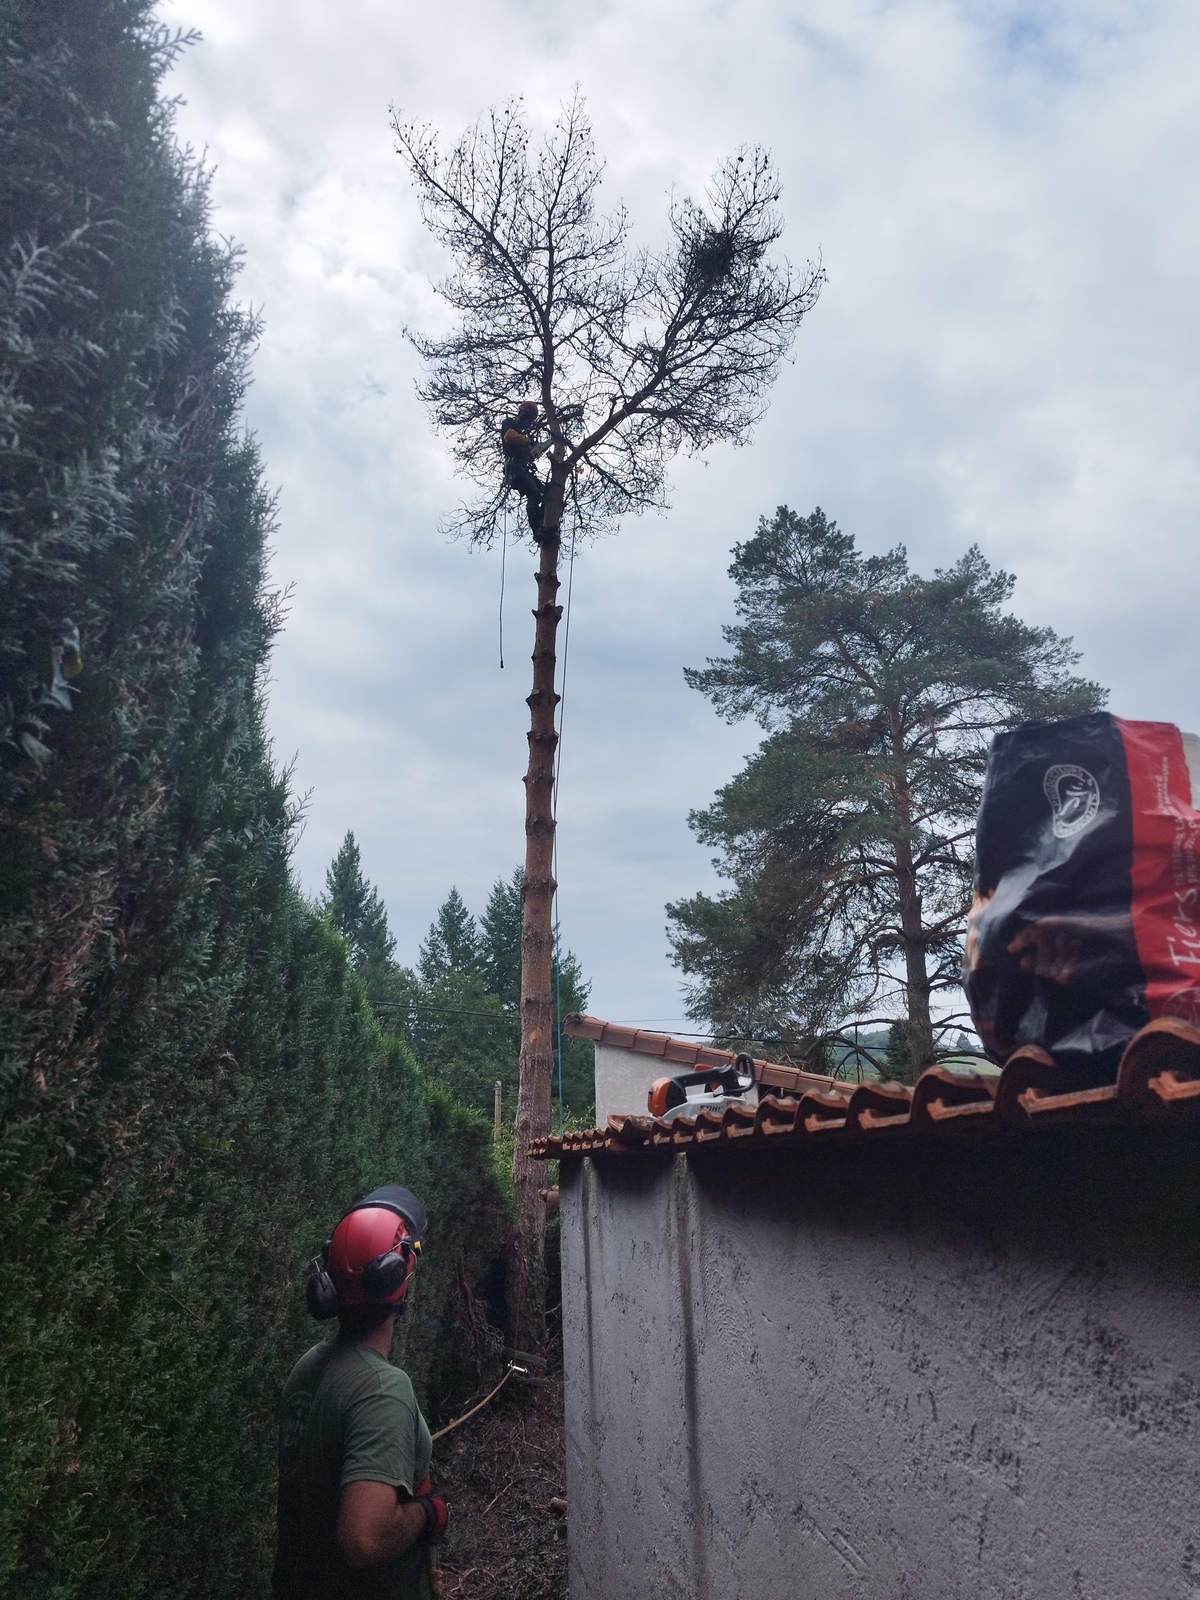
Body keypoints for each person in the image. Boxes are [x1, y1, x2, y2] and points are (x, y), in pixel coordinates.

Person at [272, 1184, 448, 1600]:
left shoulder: (309, 1367)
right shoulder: (383, 1390)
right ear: (397, 1278)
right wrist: (426, 1514)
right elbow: (362, 1540)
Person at [499, 400, 546, 532]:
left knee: (544, 490)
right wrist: (528, 440)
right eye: (529, 421)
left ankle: (544, 521)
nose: (529, 425)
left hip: (520, 468)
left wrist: (528, 451)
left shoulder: (519, 432)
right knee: (534, 494)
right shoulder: (509, 423)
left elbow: (521, 450)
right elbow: (508, 436)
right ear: (525, 416)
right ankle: (537, 530)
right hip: (514, 469)